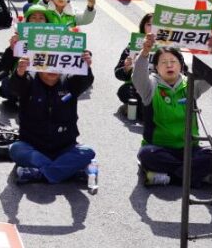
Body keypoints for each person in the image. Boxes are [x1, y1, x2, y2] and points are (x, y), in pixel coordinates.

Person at [133, 35, 212, 186]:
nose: (169, 65)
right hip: (160, 149)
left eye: (173, 62)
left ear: (181, 66)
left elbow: (210, 78)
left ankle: (170, 177)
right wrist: (144, 53)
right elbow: (137, 78)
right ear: (156, 67)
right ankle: (197, 176)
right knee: (146, 155)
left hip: (190, 149)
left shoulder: (190, 85)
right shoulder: (150, 87)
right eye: (163, 62)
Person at [8, 46, 96, 184]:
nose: (53, 70)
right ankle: (67, 171)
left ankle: (40, 174)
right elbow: (14, 87)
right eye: (47, 63)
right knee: (16, 149)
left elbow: (85, 80)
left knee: (88, 151)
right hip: (33, 146)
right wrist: (19, 73)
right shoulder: (29, 80)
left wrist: (86, 65)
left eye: (57, 64)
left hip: (64, 147)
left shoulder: (70, 82)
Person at [115, 14, 153, 119]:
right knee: (124, 91)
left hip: (161, 86)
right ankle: (138, 109)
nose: (152, 29)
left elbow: (182, 70)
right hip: (138, 87)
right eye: (149, 24)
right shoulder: (133, 46)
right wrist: (126, 68)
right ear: (143, 26)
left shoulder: (169, 47)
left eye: (155, 25)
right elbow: (118, 72)